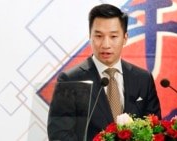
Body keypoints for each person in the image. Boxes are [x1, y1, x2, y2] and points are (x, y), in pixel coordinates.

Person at [47, 3, 161, 141]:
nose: (105, 44)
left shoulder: (143, 79)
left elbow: (155, 129)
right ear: (90, 37)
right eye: (99, 36)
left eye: (113, 36)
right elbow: (59, 134)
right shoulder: (71, 79)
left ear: (125, 38)